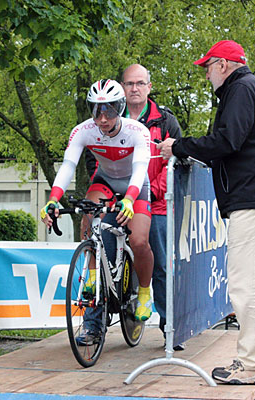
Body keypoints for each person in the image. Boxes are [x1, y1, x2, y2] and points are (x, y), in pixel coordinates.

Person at [157, 39, 255, 385]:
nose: (205, 75)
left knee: (246, 284)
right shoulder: (251, 89)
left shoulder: (242, 89)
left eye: (207, 67)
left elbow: (226, 140)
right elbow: (233, 143)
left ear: (222, 65)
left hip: (253, 199)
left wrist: (179, 146)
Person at [40, 79, 155, 337]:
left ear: (121, 107)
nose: (103, 118)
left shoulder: (137, 131)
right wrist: (54, 198)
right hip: (105, 180)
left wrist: (129, 199)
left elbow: (139, 170)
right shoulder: (83, 130)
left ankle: (145, 291)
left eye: (111, 109)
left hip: (135, 185)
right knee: (87, 217)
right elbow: (68, 165)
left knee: (138, 241)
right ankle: (92, 276)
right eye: (97, 110)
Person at [85, 64, 184, 349]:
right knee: (99, 250)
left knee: (161, 265)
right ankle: (93, 326)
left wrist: (153, 193)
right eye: (129, 84)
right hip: (118, 199)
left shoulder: (165, 120)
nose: (135, 89)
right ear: (122, 87)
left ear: (149, 87)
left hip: (156, 202)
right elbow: (95, 162)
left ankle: (170, 329)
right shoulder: (107, 117)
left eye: (140, 83)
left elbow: (173, 164)